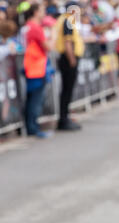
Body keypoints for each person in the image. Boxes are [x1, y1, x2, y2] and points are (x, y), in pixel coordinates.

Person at [23, 3, 53, 138]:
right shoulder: (35, 27)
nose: (44, 13)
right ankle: (33, 128)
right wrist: (53, 34)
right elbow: (48, 46)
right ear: (35, 12)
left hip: (32, 67)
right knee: (35, 100)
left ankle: (31, 127)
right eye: (42, 10)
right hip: (36, 68)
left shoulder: (27, 26)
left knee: (32, 99)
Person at [54, 1, 85, 131]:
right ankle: (63, 119)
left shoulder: (64, 20)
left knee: (67, 90)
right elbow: (68, 43)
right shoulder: (68, 20)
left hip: (67, 58)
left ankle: (65, 117)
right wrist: (72, 59)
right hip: (68, 59)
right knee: (67, 90)